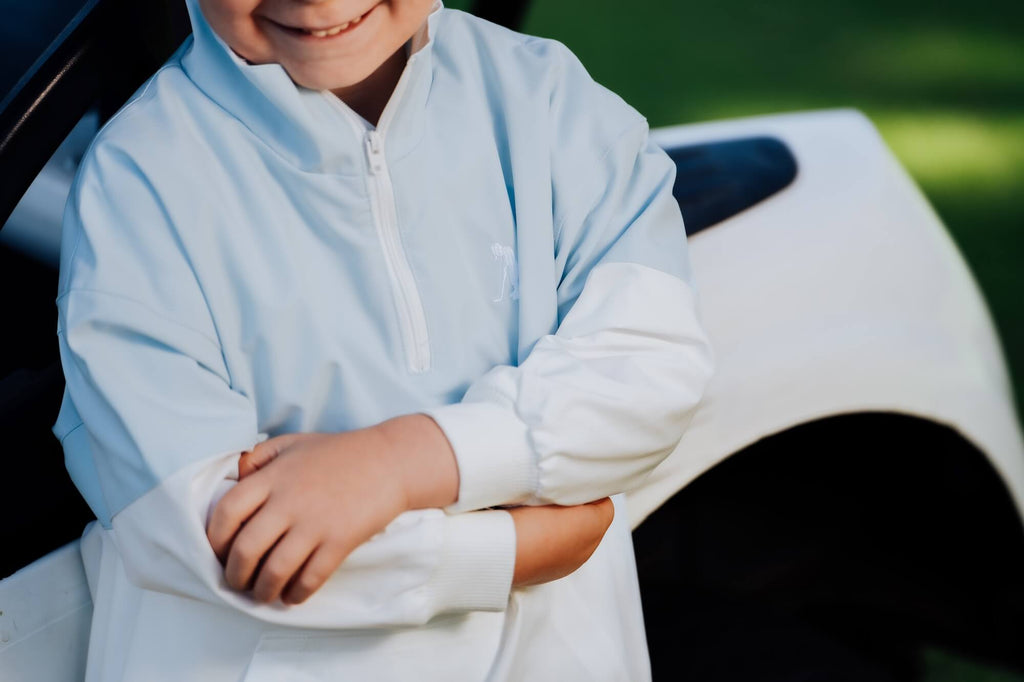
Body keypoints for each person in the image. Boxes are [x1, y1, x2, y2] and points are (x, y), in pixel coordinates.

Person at [53, 0, 714, 679]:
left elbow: (651, 369)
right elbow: (199, 525)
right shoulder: (138, 182)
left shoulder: (547, 99)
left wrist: (405, 462)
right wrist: (509, 550)